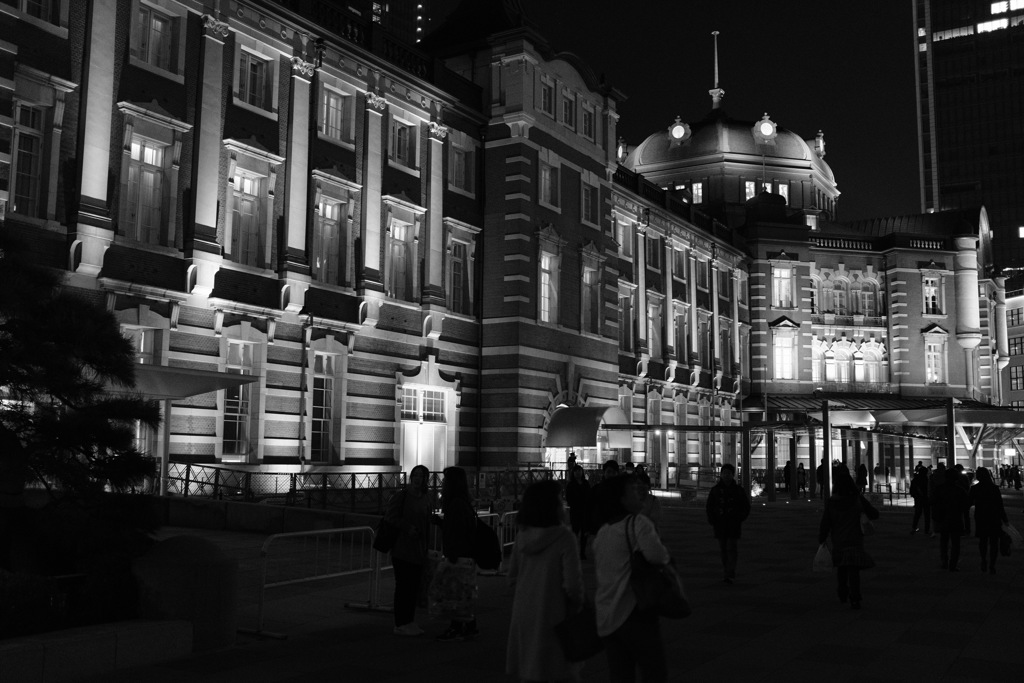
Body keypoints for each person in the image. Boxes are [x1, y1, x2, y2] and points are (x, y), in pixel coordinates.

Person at [593, 475, 670, 682]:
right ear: (622, 499)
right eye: (632, 491)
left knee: (620, 675)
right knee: (654, 672)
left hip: (606, 615)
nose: (639, 494)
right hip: (634, 611)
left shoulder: (603, 532)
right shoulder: (638, 524)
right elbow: (659, 556)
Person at [506, 480, 584, 682]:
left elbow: (512, 577)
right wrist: (577, 603)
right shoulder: (565, 538)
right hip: (555, 613)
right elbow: (573, 585)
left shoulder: (522, 536)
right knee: (556, 669)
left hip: (524, 612)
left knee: (529, 668)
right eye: (559, 500)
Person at [818, 467, 879, 609]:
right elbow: (874, 514)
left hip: (838, 540)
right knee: (854, 570)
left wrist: (822, 537)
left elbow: (825, 522)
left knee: (842, 567)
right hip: (855, 540)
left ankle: (842, 591)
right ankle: (855, 597)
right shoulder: (857, 499)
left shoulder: (832, 502)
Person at [386, 465, 432, 636]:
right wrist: (407, 528)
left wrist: (428, 546)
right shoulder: (402, 496)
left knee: (413, 587)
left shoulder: (426, 498)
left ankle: (409, 620)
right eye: (415, 475)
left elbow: (427, 524)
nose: (418, 479)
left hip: (418, 550)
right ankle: (400, 622)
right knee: (403, 586)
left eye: (421, 476)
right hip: (402, 548)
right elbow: (391, 517)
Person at [435, 466, 480, 641]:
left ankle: (457, 627)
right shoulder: (462, 502)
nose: (443, 483)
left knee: (455, 593)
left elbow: (458, 531)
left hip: (458, 555)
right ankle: (468, 626)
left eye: (446, 480)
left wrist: (452, 554)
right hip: (464, 555)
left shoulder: (456, 504)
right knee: (462, 593)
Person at [705, 463, 751, 583]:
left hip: (733, 524)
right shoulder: (715, 490)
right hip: (720, 524)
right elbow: (709, 506)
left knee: (731, 547)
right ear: (721, 475)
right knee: (723, 549)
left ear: (733, 475)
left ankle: (730, 572)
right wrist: (712, 519)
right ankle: (727, 570)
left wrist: (739, 518)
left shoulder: (738, 490)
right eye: (724, 473)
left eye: (729, 474)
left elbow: (746, 506)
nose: (726, 476)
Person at [968, 467, 1009, 574]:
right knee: (994, 542)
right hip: (994, 517)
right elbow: (1000, 505)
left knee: (983, 541)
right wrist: (1004, 519)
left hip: (981, 517)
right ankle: (992, 564)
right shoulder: (994, 488)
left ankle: (983, 560)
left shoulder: (975, 488)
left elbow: (969, 502)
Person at [932, 465, 968, 571]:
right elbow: (965, 506)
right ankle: (953, 564)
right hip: (956, 519)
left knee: (944, 541)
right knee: (956, 543)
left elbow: (934, 503)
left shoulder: (939, 489)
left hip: (943, 518)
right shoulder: (960, 490)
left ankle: (944, 561)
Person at [565, 464, 591, 560]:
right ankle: (574, 551)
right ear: (573, 473)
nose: (578, 472)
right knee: (575, 532)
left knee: (584, 532)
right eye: (576, 471)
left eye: (579, 470)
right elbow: (568, 497)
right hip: (575, 511)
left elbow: (589, 495)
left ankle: (582, 552)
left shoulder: (585, 483)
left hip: (584, 511)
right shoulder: (571, 485)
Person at [910, 464, 931, 535]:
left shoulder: (915, 479)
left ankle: (914, 528)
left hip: (918, 499)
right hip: (926, 499)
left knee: (917, 514)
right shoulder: (927, 480)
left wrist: (915, 496)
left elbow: (912, 490)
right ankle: (927, 530)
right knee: (927, 515)